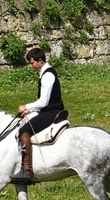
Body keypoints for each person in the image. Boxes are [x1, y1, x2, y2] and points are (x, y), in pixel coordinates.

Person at [10, 47, 68, 183]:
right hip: (49, 110)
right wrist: (29, 111)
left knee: (23, 130)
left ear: (40, 61)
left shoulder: (47, 75)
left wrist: (26, 107)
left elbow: (43, 102)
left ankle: (27, 170)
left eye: (32, 63)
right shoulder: (45, 73)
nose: (31, 66)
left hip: (51, 112)